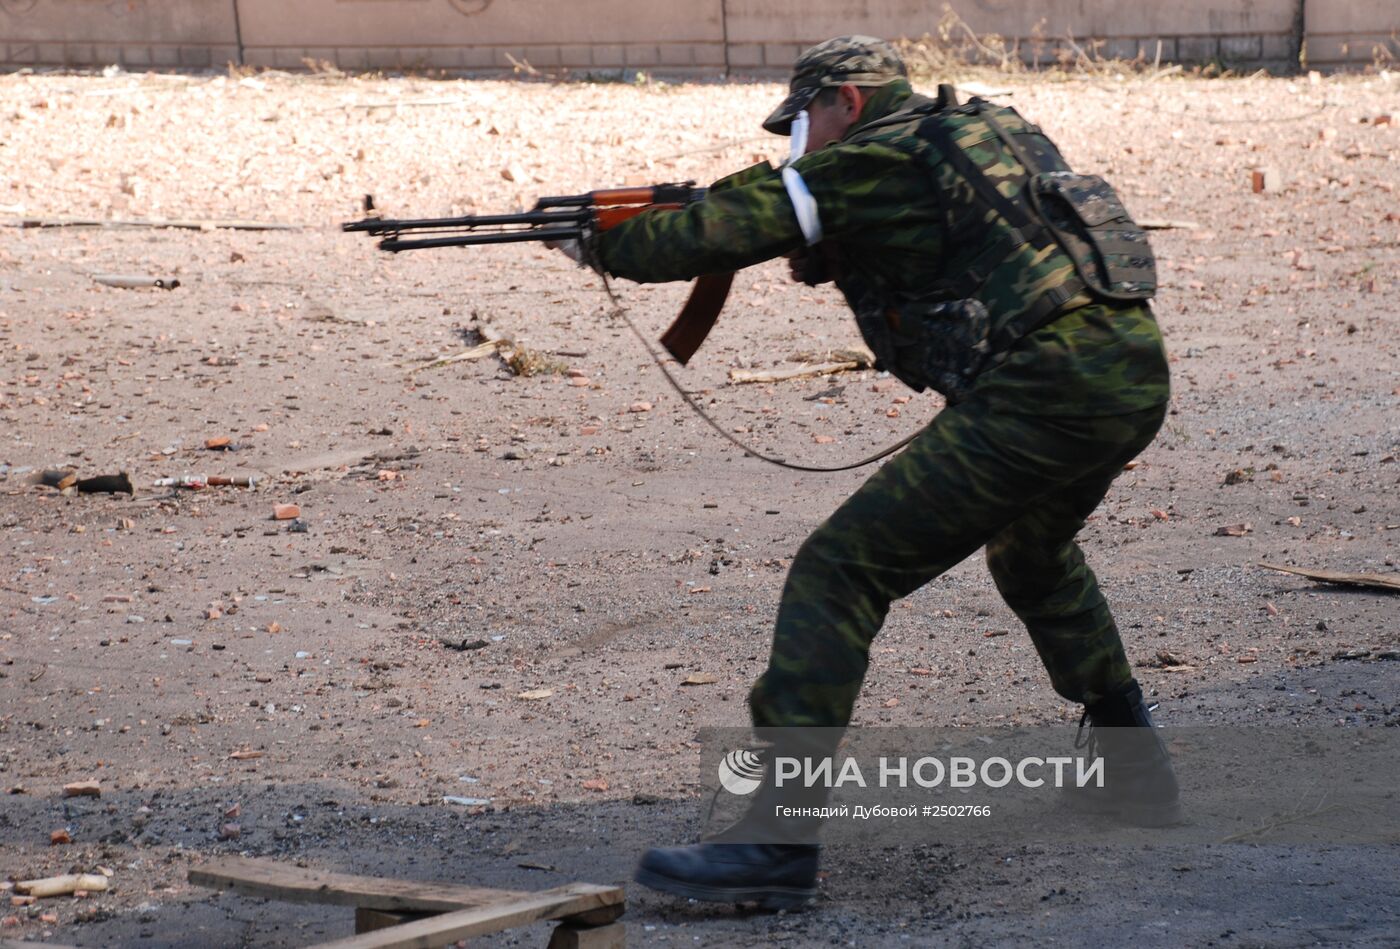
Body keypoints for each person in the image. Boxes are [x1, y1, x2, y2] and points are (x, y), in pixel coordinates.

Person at [571, 36, 1178, 908]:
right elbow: (962, 245)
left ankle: (774, 846)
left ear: (845, 102)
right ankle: (1135, 770)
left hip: (1042, 389)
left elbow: (715, 232)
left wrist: (604, 246)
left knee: (840, 569)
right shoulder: (971, 132)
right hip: (1125, 367)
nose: (800, 144)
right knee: (1032, 555)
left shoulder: (871, 156)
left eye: (804, 123)